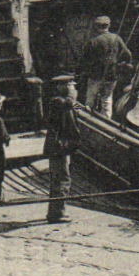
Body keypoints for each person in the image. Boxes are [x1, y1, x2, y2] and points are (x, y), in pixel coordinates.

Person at [43, 74, 80, 222]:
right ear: (62, 87)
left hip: (60, 146)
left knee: (59, 179)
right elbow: (69, 104)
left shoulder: (61, 102)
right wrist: (72, 96)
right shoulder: (58, 102)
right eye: (70, 86)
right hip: (59, 146)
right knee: (62, 179)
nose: (73, 89)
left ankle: (55, 212)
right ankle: (58, 213)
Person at [78, 16, 131, 117]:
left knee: (90, 99)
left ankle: (86, 119)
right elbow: (128, 55)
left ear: (96, 27)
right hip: (111, 75)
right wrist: (121, 65)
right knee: (107, 100)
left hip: (95, 75)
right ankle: (106, 120)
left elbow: (84, 60)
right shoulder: (117, 38)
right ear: (108, 26)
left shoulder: (93, 41)